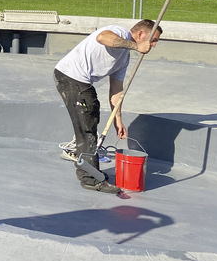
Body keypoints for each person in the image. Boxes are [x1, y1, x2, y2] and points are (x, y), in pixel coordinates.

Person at [53, 19, 161, 194]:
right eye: (153, 39)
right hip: (71, 77)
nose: (153, 45)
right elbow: (103, 37)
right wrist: (135, 47)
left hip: (81, 82)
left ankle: (89, 169)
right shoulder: (118, 32)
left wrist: (118, 120)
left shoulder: (123, 59)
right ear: (141, 34)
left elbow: (116, 91)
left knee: (90, 119)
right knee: (87, 128)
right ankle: (90, 179)